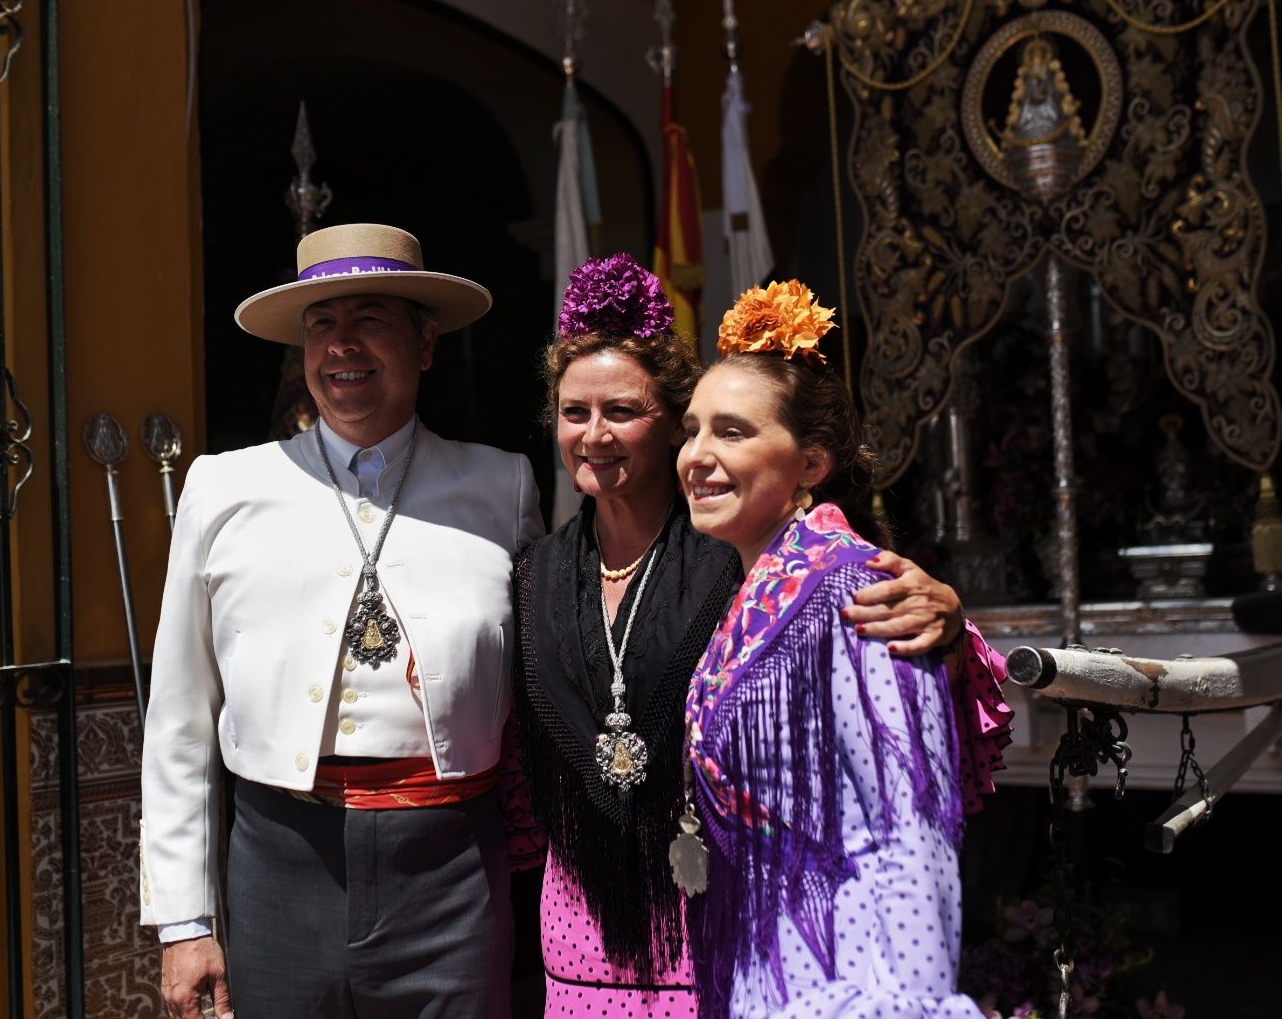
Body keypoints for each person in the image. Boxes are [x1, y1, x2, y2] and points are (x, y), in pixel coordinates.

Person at [513, 258, 1009, 1015]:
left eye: (624, 410)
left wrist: (944, 617)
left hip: (756, 950)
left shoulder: (767, 562)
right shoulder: (540, 572)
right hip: (624, 941)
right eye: (574, 412)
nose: (595, 433)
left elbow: (903, 834)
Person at [140, 223, 542, 1019]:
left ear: (426, 343)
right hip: (280, 868)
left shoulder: (503, 487)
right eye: (322, 324)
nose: (342, 346)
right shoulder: (223, 489)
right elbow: (180, 720)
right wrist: (185, 922)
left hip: (455, 871)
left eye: (369, 319)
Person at [680, 281, 1003, 1018]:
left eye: (732, 431)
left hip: (845, 973)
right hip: (768, 960)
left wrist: (915, 1003)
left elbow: (907, 828)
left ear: (813, 463)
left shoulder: (858, 593)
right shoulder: (755, 588)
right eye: (692, 430)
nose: (697, 455)